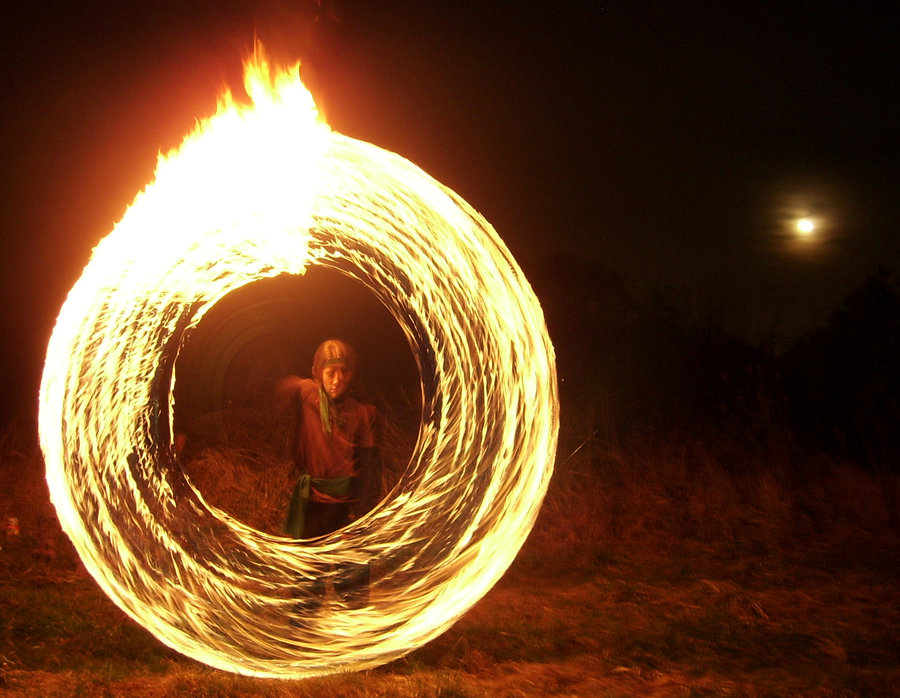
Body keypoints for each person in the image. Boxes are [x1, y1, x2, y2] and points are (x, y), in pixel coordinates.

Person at [279, 339, 377, 540]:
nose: (338, 379)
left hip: (346, 506)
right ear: (318, 374)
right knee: (310, 567)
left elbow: (370, 468)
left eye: (344, 371)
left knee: (348, 569)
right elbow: (288, 386)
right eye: (331, 372)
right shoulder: (309, 394)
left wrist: (360, 514)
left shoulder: (363, 414)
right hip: (312, 503)